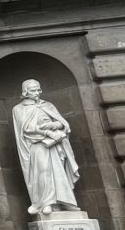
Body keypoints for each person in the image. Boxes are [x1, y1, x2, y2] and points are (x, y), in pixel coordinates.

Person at [11, 79, 81, 215]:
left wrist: (56, 125)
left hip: (56, 145)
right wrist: (47, 132)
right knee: (44, 171)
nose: (37, 93)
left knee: (59, 172)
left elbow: (62, 123)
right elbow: (25, 129)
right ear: (25, 91)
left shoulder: (48, 105)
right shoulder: (18, 109)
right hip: (38, 145)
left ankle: (65, 201)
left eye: (38, 90)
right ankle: (46, 202)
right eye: (33, 90)